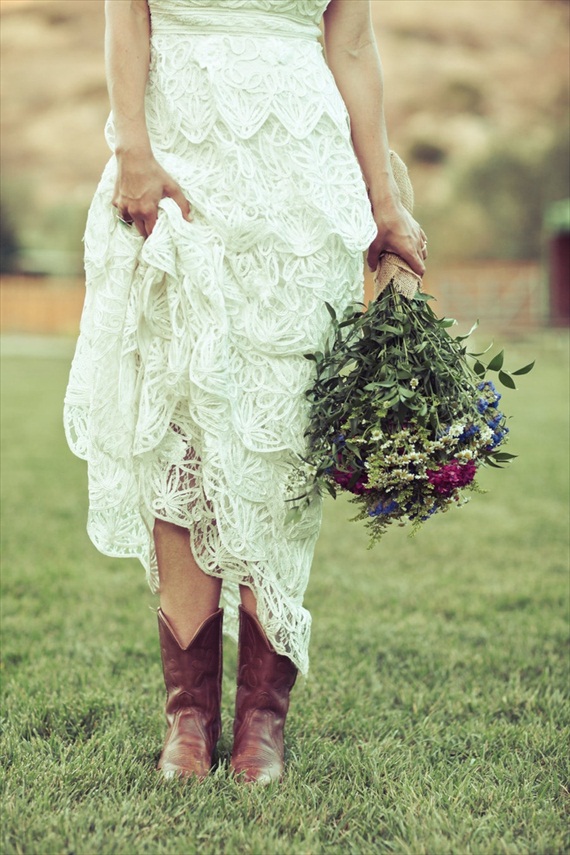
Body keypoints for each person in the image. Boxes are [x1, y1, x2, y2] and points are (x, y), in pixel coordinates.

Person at [64, 0, 427, 785]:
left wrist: (383, 200)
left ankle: (263, 721)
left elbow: (353, 44)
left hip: (303, 175)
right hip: (179, 159)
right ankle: (187, 722)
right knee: (178, 423)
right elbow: (126, 9)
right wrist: (131, 141)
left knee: (288, 432)